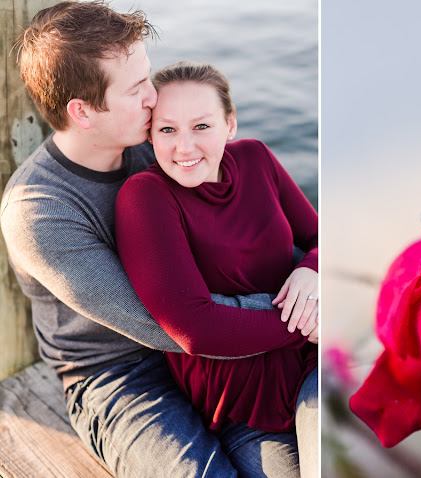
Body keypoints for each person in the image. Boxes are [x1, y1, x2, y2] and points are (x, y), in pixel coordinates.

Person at [0, 2, 316, 477]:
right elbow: (166, 326)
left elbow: (258, 217)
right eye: (136, 89)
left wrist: (314, 269)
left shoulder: (161, 145)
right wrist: (302, 314)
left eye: (147, 77)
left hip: (226, 356)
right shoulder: (40, 211)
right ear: (82, 111)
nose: (154, 97)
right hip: (122, 376)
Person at [114, 61, 319, 478]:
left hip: (316, 363)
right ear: (149, 135)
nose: (185, 148)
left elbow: (319, 237)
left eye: (202, 126)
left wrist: (313, 270)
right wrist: (309, 321)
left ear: (230, 125)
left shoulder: (256, 157)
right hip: (243, 406)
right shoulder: (145, 196)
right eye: (167, 130)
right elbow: (194, 328)